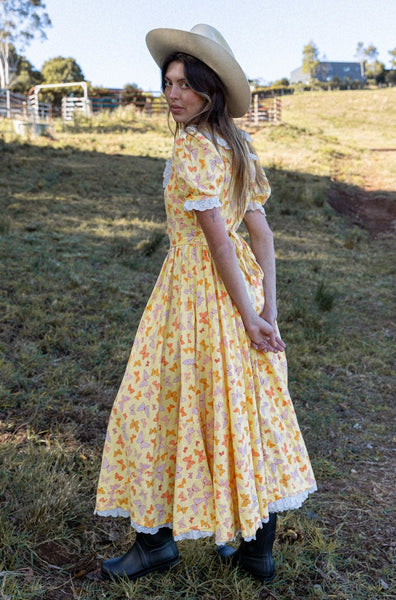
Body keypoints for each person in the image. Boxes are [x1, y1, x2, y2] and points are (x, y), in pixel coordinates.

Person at [95, 24, 317, 583]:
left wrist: (251, 314)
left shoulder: (197, 147)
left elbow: (221, 238)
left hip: (197, 292)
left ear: (209, 92)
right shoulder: (236, 145)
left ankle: (154, 544)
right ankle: (253, 550)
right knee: (244, 408)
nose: (171, 94)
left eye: (184, 85)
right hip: (239, 284)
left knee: (155, 402)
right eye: (167, 82)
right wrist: (267, 306)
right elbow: (260, 237)